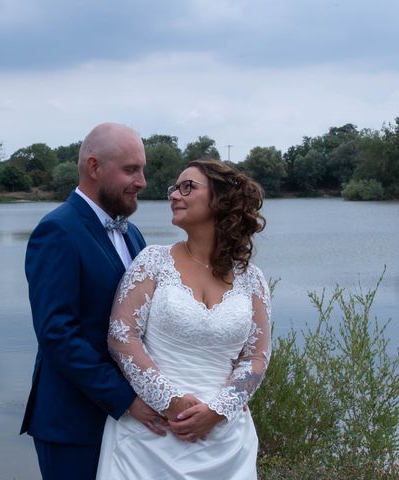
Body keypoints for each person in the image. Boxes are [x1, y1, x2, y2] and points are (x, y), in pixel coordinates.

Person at [96, 159, 271, 479]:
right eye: (174, 188)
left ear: (221, 199)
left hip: (225, 441)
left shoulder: (252, 280)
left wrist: (221, 410)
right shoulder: (153, 262)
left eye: (187, 187)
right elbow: (122, 337)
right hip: (151, 436)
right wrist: (169, 402)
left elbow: (256, 356)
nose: (174, 195)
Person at [21, 123, 167, 480]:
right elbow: (58, 334)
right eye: (131, 169)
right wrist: (126, 399)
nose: (142, 181)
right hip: (73, 425)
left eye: (142, 169)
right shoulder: (57, 230)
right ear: (94, 167)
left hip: (128, 420)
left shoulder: (132, 233)